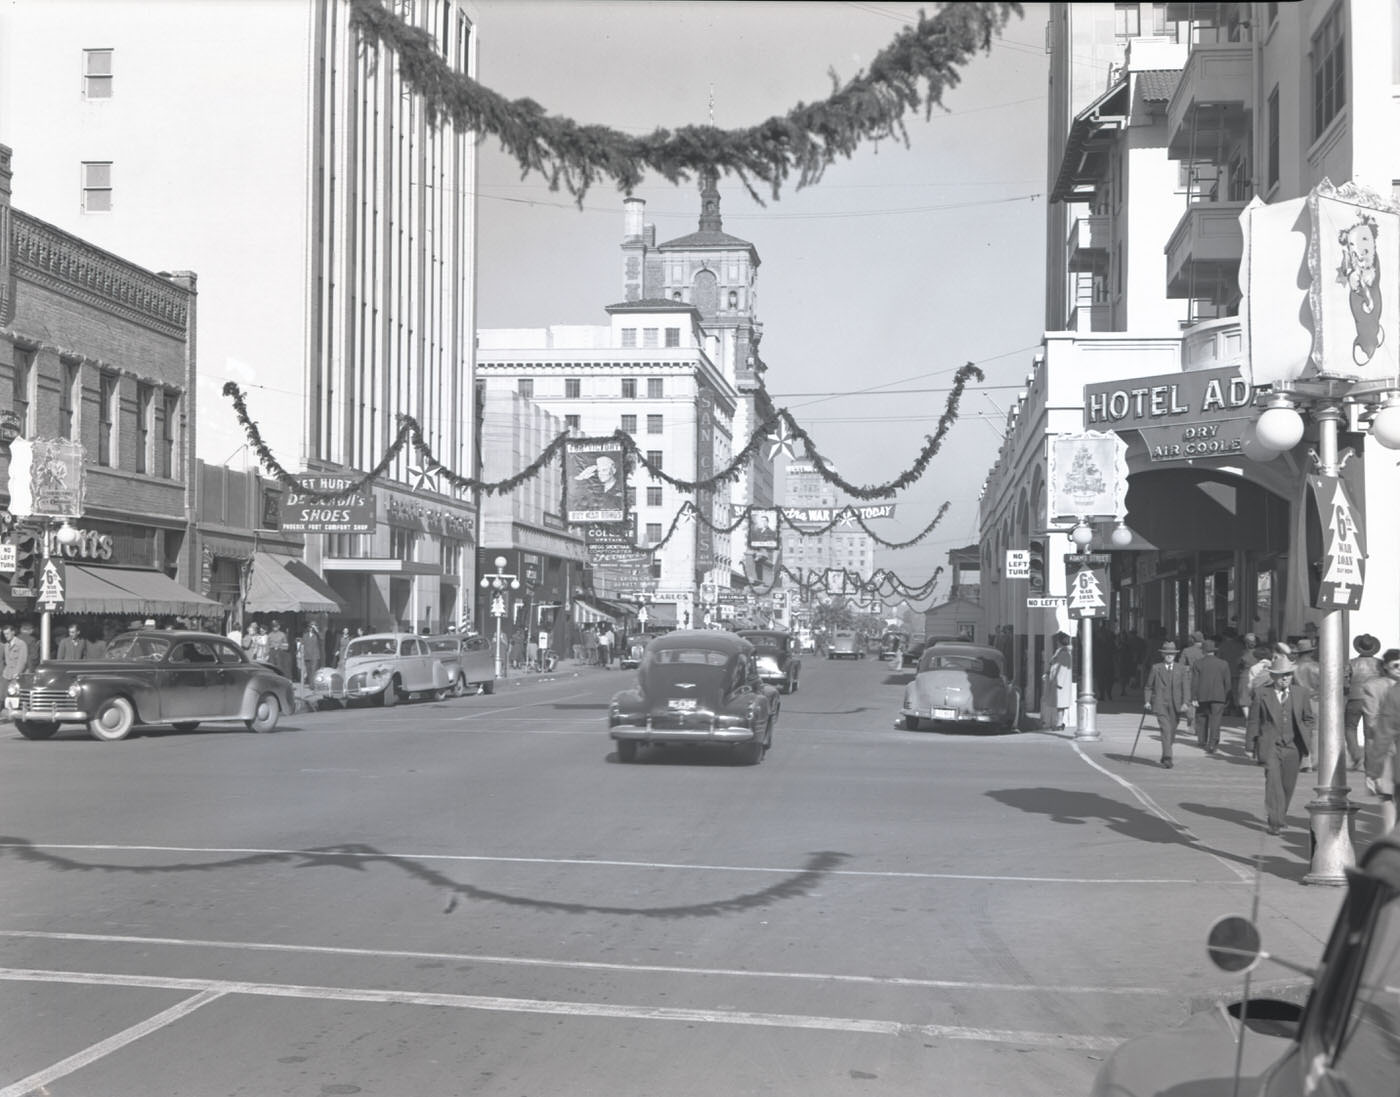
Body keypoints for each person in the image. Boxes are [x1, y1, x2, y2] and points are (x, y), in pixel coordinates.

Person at [1246, 653, 1315, 836]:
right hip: (1270, 745)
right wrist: (1250, 745)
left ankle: (1280, 814)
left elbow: (1308, 718)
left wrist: (1306, 737)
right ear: (1273, 676)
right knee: (1273, 783)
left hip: (1293, 746)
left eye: (1288, 675)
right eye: (1281, 675)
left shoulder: (1301, 693)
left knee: (1287, 785)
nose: (1285, 678)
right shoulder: (1262, 693)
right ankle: (1275, 821)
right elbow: (1254, 720)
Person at [1364, 649, 1400, 833]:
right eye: (1395, 665)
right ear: (1385, 666)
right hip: (1386, 749)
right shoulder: (1374, 686)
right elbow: (1372, 720)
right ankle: (1389, 836)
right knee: (1386, 794)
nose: (1399, 669)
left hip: (1391, 747)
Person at [1145, 640, 1190, 768]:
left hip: (1176, 705)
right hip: (1160, 704)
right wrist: (1147, 701)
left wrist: (1186, 702)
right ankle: (1168, 758)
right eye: (1167, 653)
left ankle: (1165, 752)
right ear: (1163, 655)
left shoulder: (1181, 669)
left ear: (1175, 655)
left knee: (1172, 732)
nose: (1170, 656)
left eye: (1172, 654)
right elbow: (1148, 686)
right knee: (1166, 730)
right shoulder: (1156, 668)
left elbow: (1186, 687)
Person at [1345, 634, 1384, 771]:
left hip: (1354, 698)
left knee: (1350, 728)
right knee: (1370, 731)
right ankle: (1369, 761)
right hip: (1373, 699)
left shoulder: (1351, 663)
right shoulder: (1380, 664)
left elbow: (1345, 681)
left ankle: (1357, 757)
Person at [1191, 639, 1232, 755]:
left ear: (1203, 651)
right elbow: (1227, 683)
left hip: (1202, 695)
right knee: (1216, 720)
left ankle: (1202, 740)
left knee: (1201, 717)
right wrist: (1227, 697)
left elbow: (1195, 682)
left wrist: (1193, 697)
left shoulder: (1198, 663)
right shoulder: (1224, 664)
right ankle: (1213, 743)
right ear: (1214, 651)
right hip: (1219, 696)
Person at [1292, 636, 1322, 770]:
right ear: (1311, 652)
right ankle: (1314, 761)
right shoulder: (1318, 667)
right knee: (1315, 732)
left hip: (1297, 700)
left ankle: (1304, 761)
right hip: (1316, 701)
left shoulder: (1292, 667)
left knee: (1299, 731)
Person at [1044, 632, 1074, 731]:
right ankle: (1059, 722)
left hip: (1060, 683)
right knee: (1059, 704)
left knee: (1060, 704)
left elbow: (1062, 669)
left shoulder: (1064, 653)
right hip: (1059, 681)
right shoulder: (1061, 652)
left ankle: (1059, 723)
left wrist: (1058, 682)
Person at [2, 624, 27, 702]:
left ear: (13, 632)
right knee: (3, 697)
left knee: (14, 697)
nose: (6, 636)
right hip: (6, 675)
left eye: (7, 633)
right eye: (4, 634)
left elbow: (22, 661)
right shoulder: (6, 645)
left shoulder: (21, 644)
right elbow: (6, 661)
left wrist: (17, 673)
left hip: (16, 675)